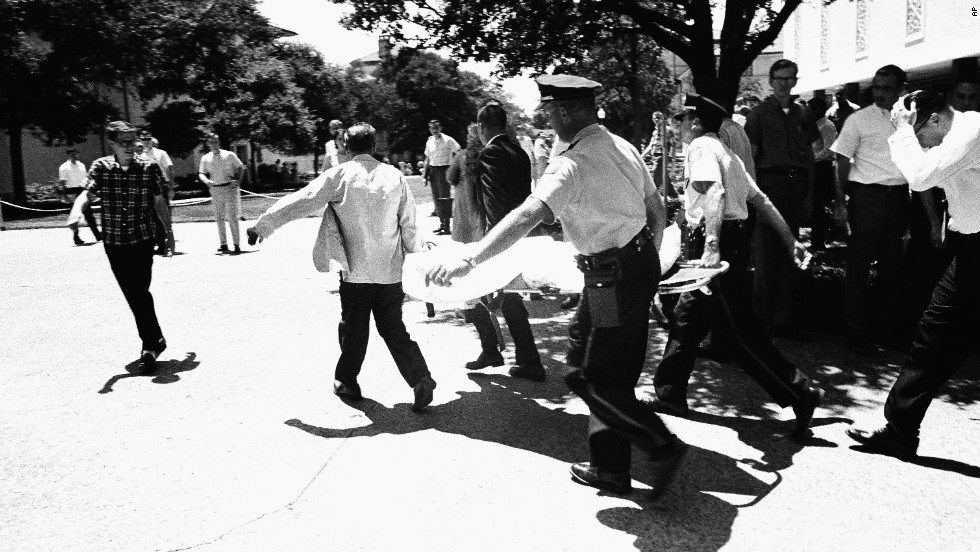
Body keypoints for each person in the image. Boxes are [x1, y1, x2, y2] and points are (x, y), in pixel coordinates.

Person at [424, 75, 686, 499]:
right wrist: (648, 272)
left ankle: (660, 444)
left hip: (610, 277)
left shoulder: (571, 162)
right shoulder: (623, 146)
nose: (547, 119)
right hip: (632, 267)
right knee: (609, 370)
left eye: (549, 111)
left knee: (588, 374)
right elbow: (656, 213)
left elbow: (529, 214)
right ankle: (610, 469)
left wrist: (469, 258)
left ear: (564, 111)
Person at [648, 92, 824, 440]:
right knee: (686, 318)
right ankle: (670, 393)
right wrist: (791, 242)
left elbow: (714, 193)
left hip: (717, 241)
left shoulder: (701, 147)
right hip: (730, 238)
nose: (677, 125)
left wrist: (711, 245)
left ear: (695, 122)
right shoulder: (727, 153)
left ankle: (799, 392)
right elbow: (762, 200)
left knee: (738, 333)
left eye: (680, 119)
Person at [247, 122, 437, 412]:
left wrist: (264, 225)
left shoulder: (339, 175)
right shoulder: (395, 176)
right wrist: (420, 262)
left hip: (354, 270)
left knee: (354, 329)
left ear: (346, 148)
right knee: (394, 329)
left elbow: (303, 200)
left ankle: (347, 380)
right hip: (390, 272)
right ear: (374, 146)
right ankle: (420, 378)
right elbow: (409, 225)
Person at [847, 90, 980, 458]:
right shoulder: (953, 133)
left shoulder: (971, 132)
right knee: (935, 337)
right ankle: (900, 430)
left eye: (919, 132)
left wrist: (902, 130)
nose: (917, 141)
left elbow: (920, 178)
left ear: (936, 119)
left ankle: (900, 428)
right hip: (971, 248)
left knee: (939, 337)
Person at [459, 101, 546, 381]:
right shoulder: (518, 150)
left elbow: (494, 202)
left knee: (472, 292)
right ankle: (518, 357)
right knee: (506, 299)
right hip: (518, 233)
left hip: (501, 236)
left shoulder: (491, 152)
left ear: (483, 127)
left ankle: (502, 353)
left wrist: (492, 243)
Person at [830, 65, 910, 355]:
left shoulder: (911, 120)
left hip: (900, 197)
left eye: (886, 87)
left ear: (901, 88)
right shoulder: (858, 120)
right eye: (876, 87)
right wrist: (840, 203)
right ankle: (855, 333)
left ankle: (885, 331)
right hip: (866, 197)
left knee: (893, 269)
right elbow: (839, 162)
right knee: (858, 268)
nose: (879, 93)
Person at [76, 121, 168, 372]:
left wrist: (167, 232)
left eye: (133, 141)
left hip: (142, 238)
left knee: (139, 291)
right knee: (134, 294)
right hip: (115, 242)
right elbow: (88, 193)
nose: (130, 147)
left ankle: (151, 343)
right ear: (113, 143)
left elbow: (159, 201)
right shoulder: (101, 167)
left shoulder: (149, 167)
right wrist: (76, 212)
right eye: (124, 142)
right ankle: (153, 341)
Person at [745, 59, 819, 340]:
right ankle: (760, 320)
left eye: (790, 79)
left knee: (791, 251)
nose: (784, 84)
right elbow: (751, 158)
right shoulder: (758, 114)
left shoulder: (804, 114)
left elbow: (809, 156)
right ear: (771, 81)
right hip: (769, 185)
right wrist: (753, 196)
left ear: (796, 81)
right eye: (779, 78)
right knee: (765, 254)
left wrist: (810, 193)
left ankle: (783, 319)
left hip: (795, 185)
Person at [199, 132, 245, 255]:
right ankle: (223, 244)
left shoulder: (229, 155)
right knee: (219, 218)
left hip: (229, 188)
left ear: (219, 142)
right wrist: (206, 180)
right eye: (211, 142)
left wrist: (238, 182)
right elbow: (201, 173)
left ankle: (236, 244)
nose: (213, 144)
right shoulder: (206, 158)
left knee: (232, 217)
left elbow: (241, 167)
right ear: (208, 143)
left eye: (215, 141)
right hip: (215, 189)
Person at [807, 97, 839, 250]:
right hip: (813, 167)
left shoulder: (827, 126)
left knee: (819, 205)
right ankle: (818, 238)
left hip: (822, 168)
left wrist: (810, 159)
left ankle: (821, 239)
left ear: (821, 110)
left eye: (812, 108)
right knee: (815, 205)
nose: (809, 111)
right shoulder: (813, 125)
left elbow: (829, 150)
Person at [447, 123, 485, 244]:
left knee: (466, 239)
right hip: (484, 200)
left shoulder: (460, 156)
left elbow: (451, 178)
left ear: (469, 138)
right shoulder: (489, 154)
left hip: (465, 201)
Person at [140, 132, 176, 256]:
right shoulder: (139, 154)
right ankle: (155, 242)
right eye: (143, 139)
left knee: (162, 216)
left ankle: (164, 244)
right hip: (145, 188)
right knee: (149, 217)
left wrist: (171, 187)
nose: (146, 141)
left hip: (160, 186)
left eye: (148, 139)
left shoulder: (160, 153)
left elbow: (170, 168)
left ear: (151, 140)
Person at [423, 119, 460, 235]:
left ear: (440, 128)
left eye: (436, 128)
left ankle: (446, 226)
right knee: (436, 198)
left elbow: (458, 151)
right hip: (433, 170)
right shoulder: (429, 142)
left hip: (444, 169)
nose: (434, 130)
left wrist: (454, 167)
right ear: (430, 129)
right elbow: (427, 159)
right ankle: (441, 224)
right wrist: (425, 175)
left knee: (444, 198)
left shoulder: (448, 140)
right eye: (432, 128)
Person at [60, 148, 101, 245]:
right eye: (73, 154)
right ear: (69, 155)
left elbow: (86, 179)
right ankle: (76, 236)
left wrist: (89, 191)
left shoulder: (81, 165)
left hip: (82, 191)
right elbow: (63, 182)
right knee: (75, 215)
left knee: (89, 215)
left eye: (77, 154)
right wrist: (65, 195)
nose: (75, 156)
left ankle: (98, 235)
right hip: (72, 191)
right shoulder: (64, 167)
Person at [639, 111, 676, 191]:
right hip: (655, 157)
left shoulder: (668, 130)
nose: (656, 119)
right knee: (664, 178)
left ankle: (652, 196)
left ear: (662, 118)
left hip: (662, 157)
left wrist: (673, 159)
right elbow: (650, 146)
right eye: (654, 118)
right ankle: (674, 197)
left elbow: (673, 145)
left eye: (658, 117)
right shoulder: (655, 132)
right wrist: (641, 157)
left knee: (656, 176)